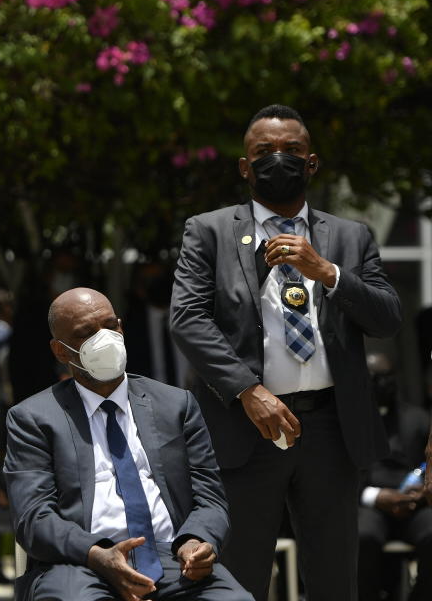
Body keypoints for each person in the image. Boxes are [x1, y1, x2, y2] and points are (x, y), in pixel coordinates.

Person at [170, 104, 402, 600]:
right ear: (244, 166)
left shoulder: (350, 235)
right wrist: (247, 390)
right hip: (245, 429)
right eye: (264, 152)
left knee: (335, 578)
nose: (279, 160)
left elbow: (386, 318)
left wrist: (328, 272)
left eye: (292, 151)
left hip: (330, 430)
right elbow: (188, 318)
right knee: (239, 578)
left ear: (312, 163)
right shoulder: (208, 231)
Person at [4, 287, 251, 601]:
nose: (104, 338)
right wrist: (96, 553)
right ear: (61, 351)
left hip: (173, 558)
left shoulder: (176, 405)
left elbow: (211, 499)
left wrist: (197, 541)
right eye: (86, 333)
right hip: (80, 564)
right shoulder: (33, 418)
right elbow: (33, 519)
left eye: (110, 325)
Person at [358, 353, 431, 601]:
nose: (382, 383)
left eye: (387, 377)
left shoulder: (418, 419)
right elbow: (338, 474)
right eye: (374, 377)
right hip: (369, 503)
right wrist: (376, 496)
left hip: (414, 503)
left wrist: (422, 492)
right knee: (362, 535)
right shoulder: (349, 422)